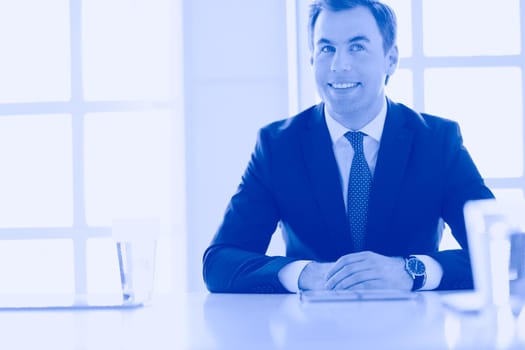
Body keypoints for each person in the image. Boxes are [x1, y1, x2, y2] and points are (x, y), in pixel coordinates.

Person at [202, 0, 494, 293]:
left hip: (413, 328)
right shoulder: (278, 146)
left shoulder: (437, 142)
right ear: (313, 58)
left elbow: (501, 253)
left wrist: (411, 271)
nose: (339, 65)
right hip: (311, 330)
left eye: (357, 47)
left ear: (390, 59)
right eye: (327, 48)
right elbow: (220, 262)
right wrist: (304, 274)